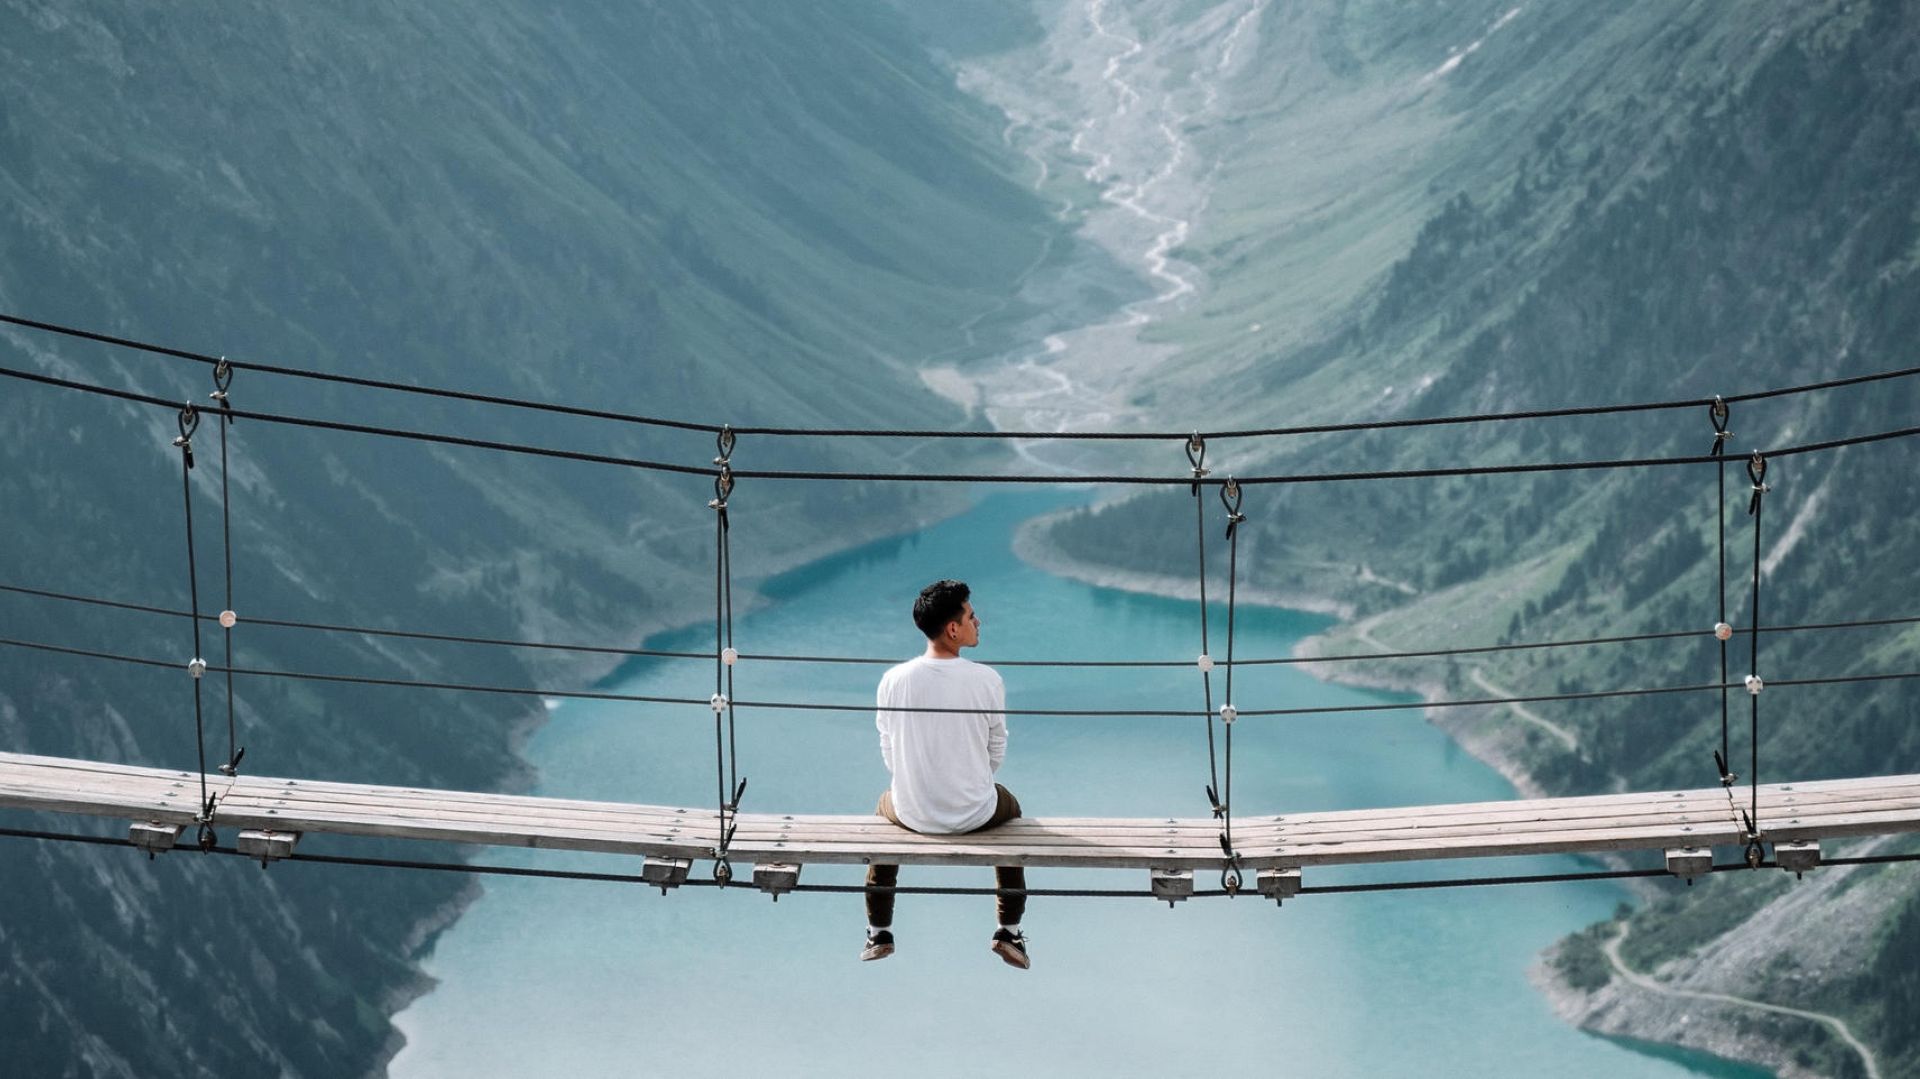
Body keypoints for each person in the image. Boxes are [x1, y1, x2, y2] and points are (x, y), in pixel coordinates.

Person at [862, 579, 1029, 969]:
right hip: (976, 813)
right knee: (1012, 809)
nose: (978, 621)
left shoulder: (893, 680)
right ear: (953, 629)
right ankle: (1010, 929)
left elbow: (888, 748)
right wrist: (970, 782)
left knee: (882, 814)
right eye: (971, 616)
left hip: (912, 814)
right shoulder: (987, 679)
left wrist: (920, 782)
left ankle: (878, 931)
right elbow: (997, 747)